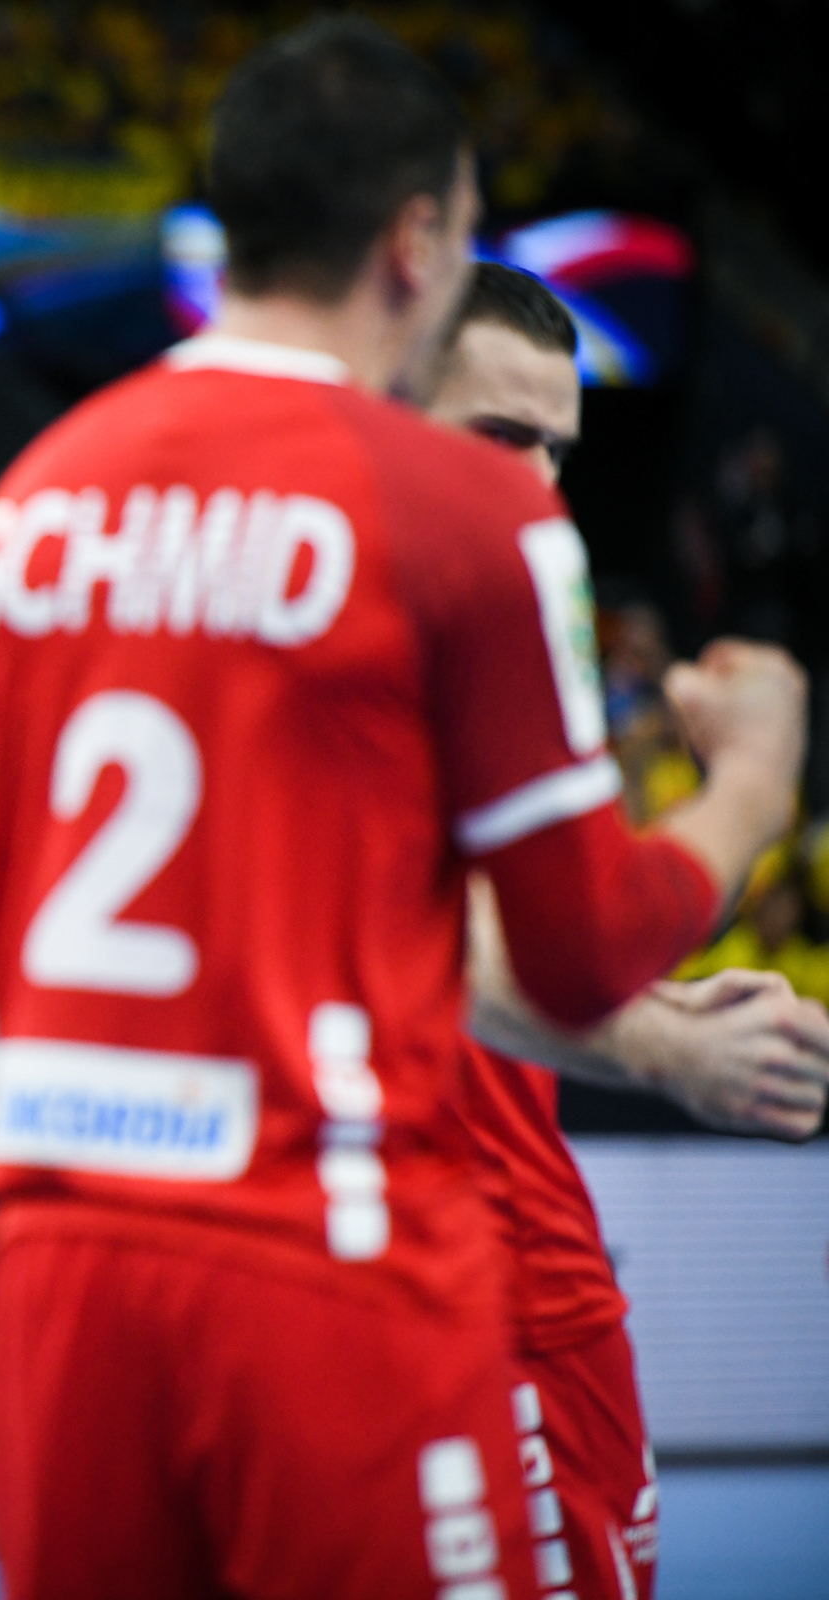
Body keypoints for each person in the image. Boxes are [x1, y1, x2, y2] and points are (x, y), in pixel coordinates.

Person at [0, 20, 806, 1600]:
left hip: (65, 1262)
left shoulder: (39, 493)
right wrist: (752, 779)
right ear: (418, 243)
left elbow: (0, 926)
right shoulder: (449, 515)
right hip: (321, 1247)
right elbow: (571, 958)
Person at [420, 261, 829, 1600]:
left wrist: (667, 1011)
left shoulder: (505, 654)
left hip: (514, 1260)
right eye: (497, 439)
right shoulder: (353, 650)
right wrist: (753, 792)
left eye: (555, 449)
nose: (536, 485)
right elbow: (407, 937)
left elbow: (544, 940)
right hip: (470, 1291)